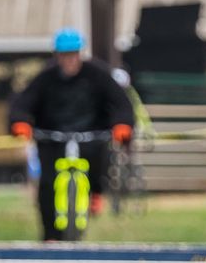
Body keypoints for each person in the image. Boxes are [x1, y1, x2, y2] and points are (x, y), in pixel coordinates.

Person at [8, 29, 135, 240]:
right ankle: (50, 235)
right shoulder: (45, 78)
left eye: (74, 54)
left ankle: (95, 193)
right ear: (57, 56)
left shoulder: (98, 74)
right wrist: (19, 122)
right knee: (47, 185)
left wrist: (123, 124)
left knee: (100, 162)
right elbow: (23, 103)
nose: (70, 60)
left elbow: (120, 101)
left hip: (91, 136)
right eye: (65, 55)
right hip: (53, 138)